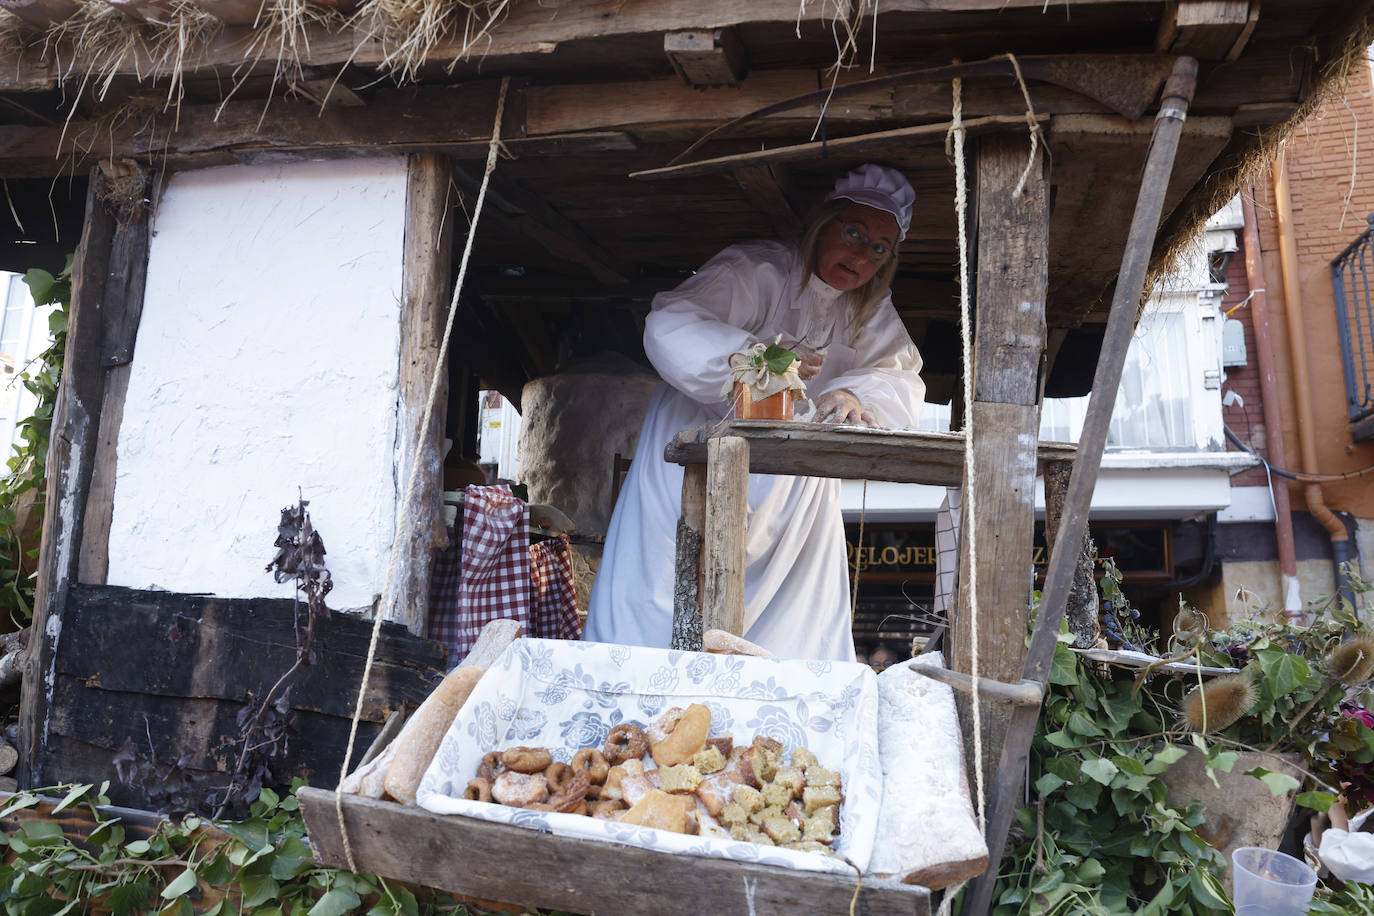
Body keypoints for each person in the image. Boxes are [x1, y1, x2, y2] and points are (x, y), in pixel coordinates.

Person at [584, 164, 927, 661]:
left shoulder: (869, 310)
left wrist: (855, 396)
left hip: (794, 496)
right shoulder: (758, 269)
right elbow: (669, 325)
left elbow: (900, 378)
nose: (861, 254)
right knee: (659, 606)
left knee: (792, 634)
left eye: (879, 248)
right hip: (696, 462)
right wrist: (756, 361)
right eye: (853, 232)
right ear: (822, 225)